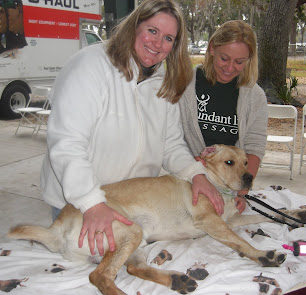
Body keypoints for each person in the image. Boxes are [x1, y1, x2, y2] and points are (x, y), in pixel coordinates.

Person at [40, 0, 224, 258]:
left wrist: (196, 174)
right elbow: (67, 143)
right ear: (134, 26)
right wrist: (91, 203)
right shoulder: (89, 66)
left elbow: (171, 143)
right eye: (152, 31)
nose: (158, 44)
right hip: (80, 204)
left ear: (175, 45)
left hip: (131, 204)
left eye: (168, 37)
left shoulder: (164, 82)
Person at [179, 20, 268, 214]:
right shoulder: (184, 86)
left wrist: (241, 192)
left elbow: (254, 145)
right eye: (224, 58)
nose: (230, 68)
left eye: (239, 62)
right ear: (212, 48)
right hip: (187, 181)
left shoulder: (255, 97)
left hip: (230, 188)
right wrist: (193, 169)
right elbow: (172, 138)